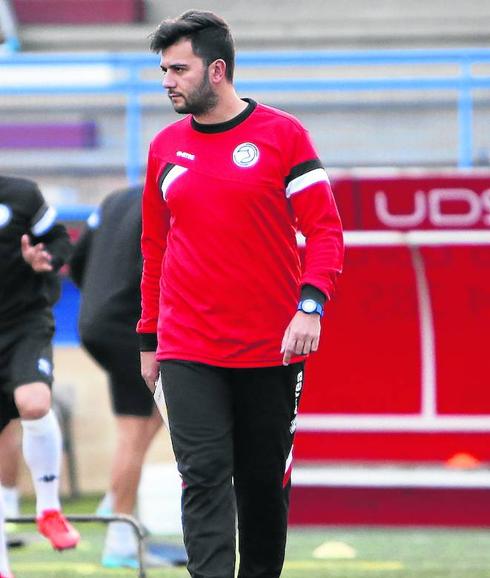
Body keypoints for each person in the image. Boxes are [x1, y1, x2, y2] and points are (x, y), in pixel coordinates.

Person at [137, 10, 344, 578]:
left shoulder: (283, 136)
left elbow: (326, 230)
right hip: (187, 347)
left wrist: (311, 304)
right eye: (163, 69)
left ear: (218, 70)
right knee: (202, 476)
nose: (167, 81)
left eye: (179, 69)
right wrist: (149, 337)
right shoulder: (163, 148)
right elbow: (154, 249)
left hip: (269, 346)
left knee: (261, 484)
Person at [69, 185, 184, 569]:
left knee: (161, 413)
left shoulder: (114, 198)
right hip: (130, 326)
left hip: (96, 320)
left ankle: (114, 501)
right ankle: (119, 539)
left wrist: (96, 303)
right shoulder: (171, 199)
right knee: (134, 432)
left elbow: (78, 256)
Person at [0, 175, 80, 553]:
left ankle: (49, 508)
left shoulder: (20, 193)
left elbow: (60, 240)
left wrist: (46, 259)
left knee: (33, 403)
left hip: (24, 324)